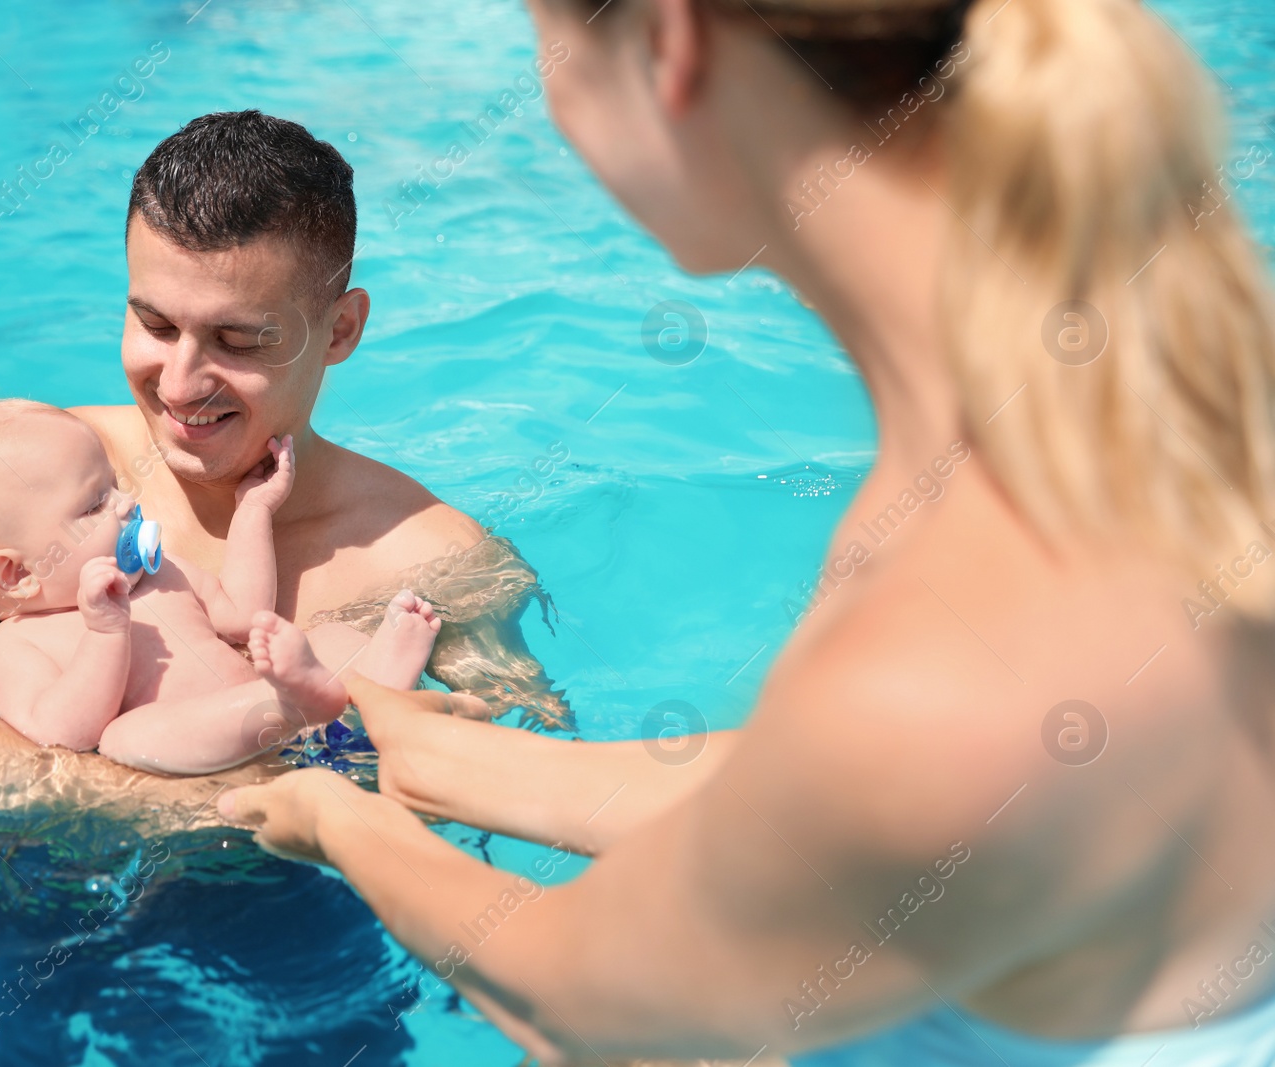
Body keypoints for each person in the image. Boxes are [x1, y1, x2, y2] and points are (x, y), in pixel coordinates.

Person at [219, 0, 1275, 1063]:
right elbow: (816, 802)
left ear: (670, 45)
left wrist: (335, 819)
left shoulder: (942, 676)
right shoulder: (1127, 427)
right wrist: (430, 750)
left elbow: (601, 1009)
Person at [0, 111, 565, 825]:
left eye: (239, 339)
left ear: (341, 330)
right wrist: (157, 799)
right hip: (38, 886)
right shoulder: (25, 474)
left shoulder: (433, 562)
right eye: (153, 323)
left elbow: (502, 779)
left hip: (294, 916)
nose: (180, 385)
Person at [0, 400, 442, 773]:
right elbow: (62, 735)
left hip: (285, 721)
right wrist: (105, 634)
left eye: (114, 486)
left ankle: (378, 683)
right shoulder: (17, 646)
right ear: (16, 574)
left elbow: (243, 613)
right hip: (215, 754)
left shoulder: (159, 572)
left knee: (332, 636)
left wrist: (253, 512)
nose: (126, 502)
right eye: (94, 505)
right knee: (125, 740)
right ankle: (296, 704)